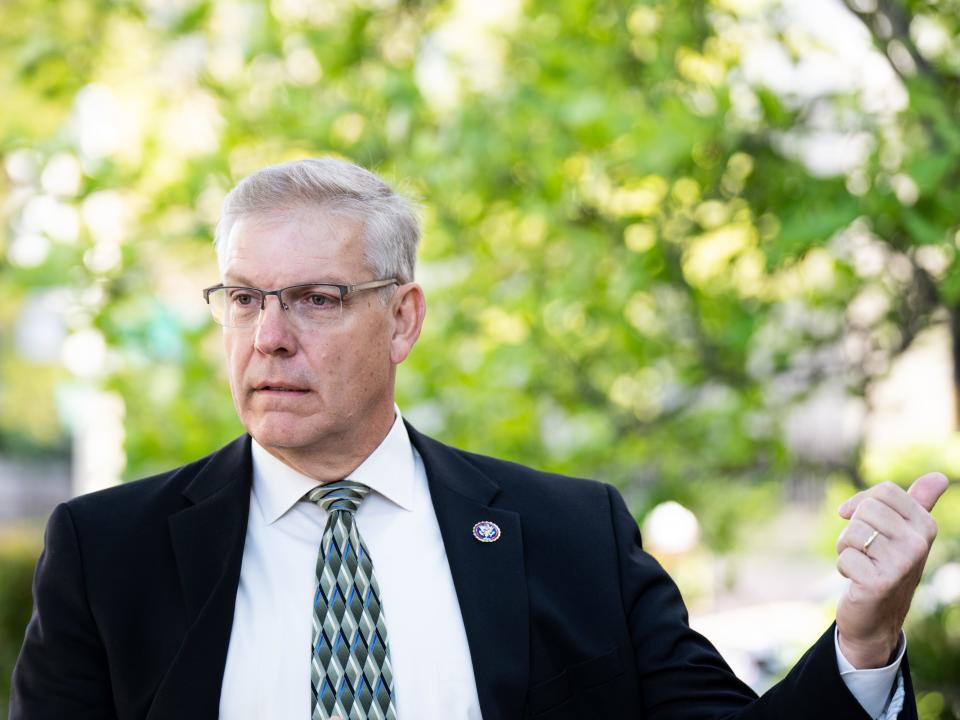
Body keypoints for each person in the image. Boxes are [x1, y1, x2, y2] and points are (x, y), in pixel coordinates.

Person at [10, 157, 948, 720]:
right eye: (246, 298)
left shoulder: (572, 535)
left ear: (403, 319)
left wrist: (864, 640)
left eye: (317, 299)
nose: (270, 336)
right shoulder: (111, 553)